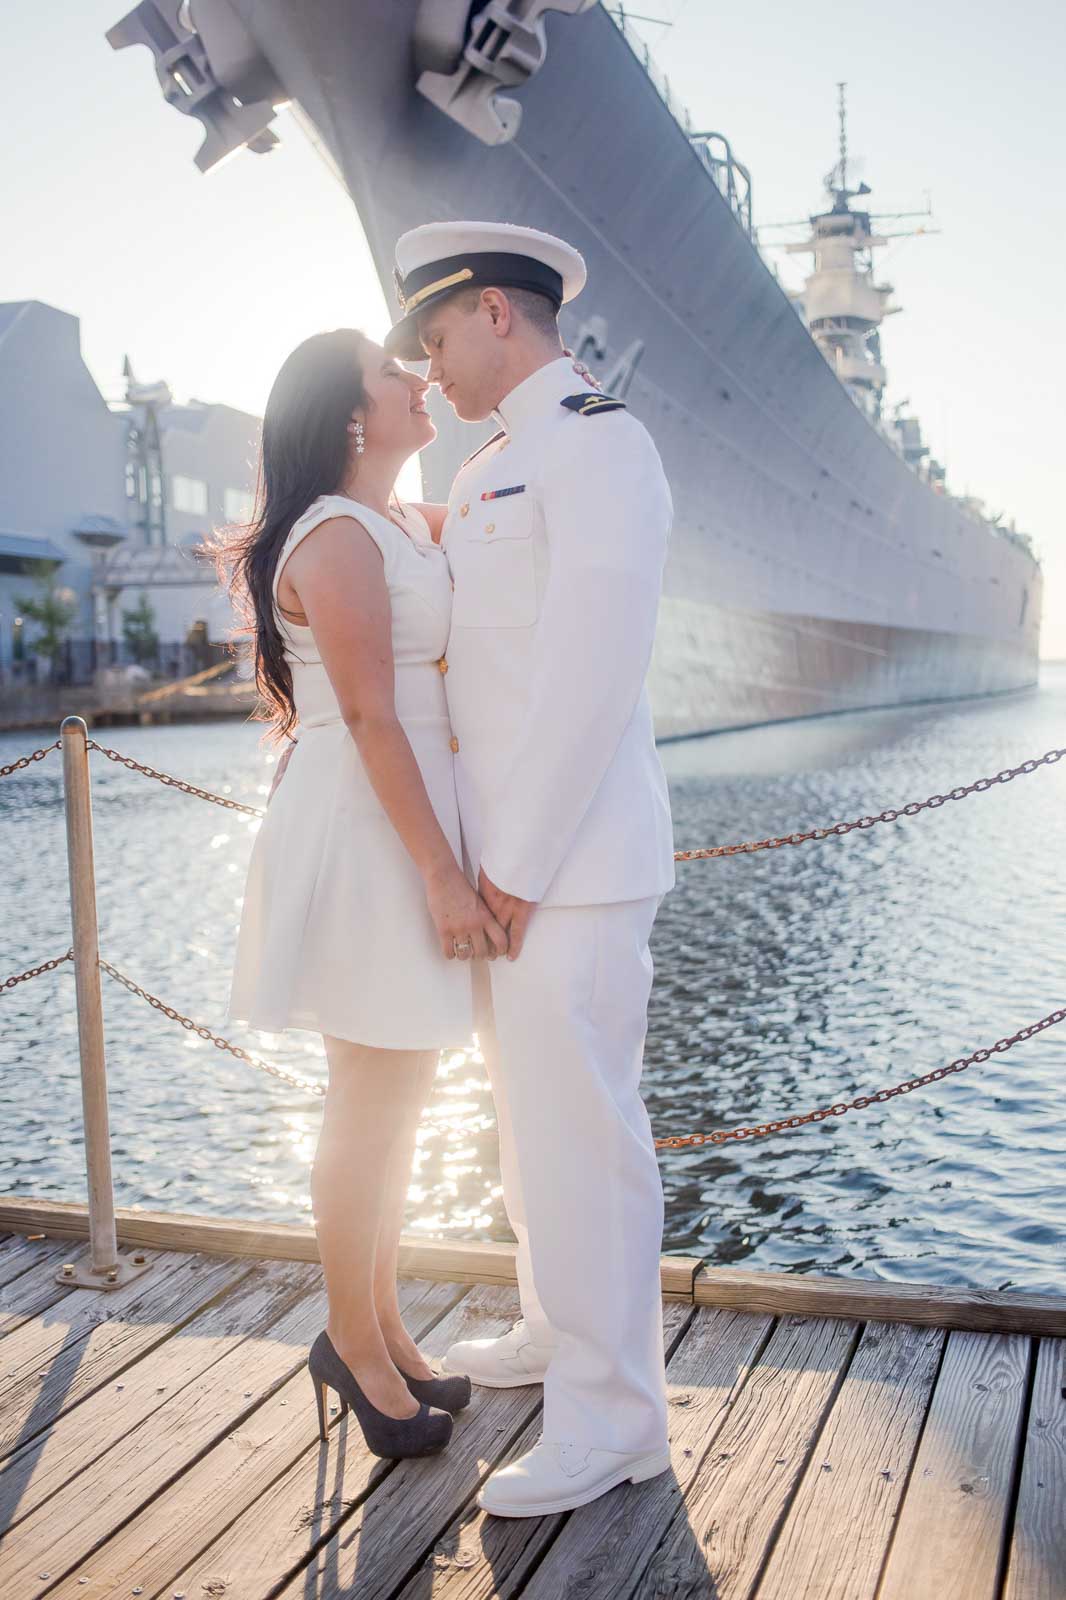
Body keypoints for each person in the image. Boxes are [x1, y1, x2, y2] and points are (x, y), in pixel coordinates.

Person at [382, 220, 679, 1516]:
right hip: (513, 867)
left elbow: (589, 674)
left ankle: (613, 1418)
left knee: (586, 1138)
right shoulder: (505, 463)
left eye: (435, 340)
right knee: (526, 1122)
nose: (429, 371)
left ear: (495, 315)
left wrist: (510, 868)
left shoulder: (600, 444)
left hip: (570, 865)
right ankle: (555, 1327)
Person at [216, 326, 511, 1462]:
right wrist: (442, 871)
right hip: (368, 830)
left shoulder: (394, 521)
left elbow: (492, 535)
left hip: (396, 812)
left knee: (403, 1088)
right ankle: (351, 1335)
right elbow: (376, 715)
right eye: (397, 376)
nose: (420, 380)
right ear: (351, 417)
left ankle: (380, 1323)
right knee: (371, 1094)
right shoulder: (334, 537)